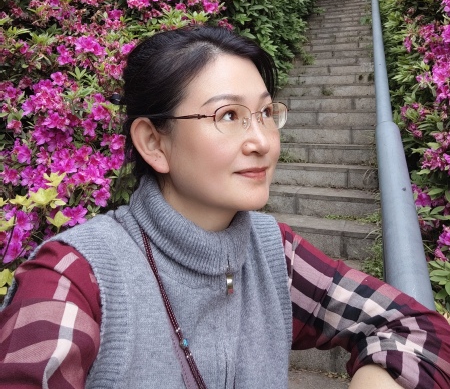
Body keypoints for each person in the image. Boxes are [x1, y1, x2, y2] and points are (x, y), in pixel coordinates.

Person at [1, 25, 449, 389]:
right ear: (153, 143)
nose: (262, 142)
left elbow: (418, 329)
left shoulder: (274, 254)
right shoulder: (73, 277)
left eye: (266, 113)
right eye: (228, 116)